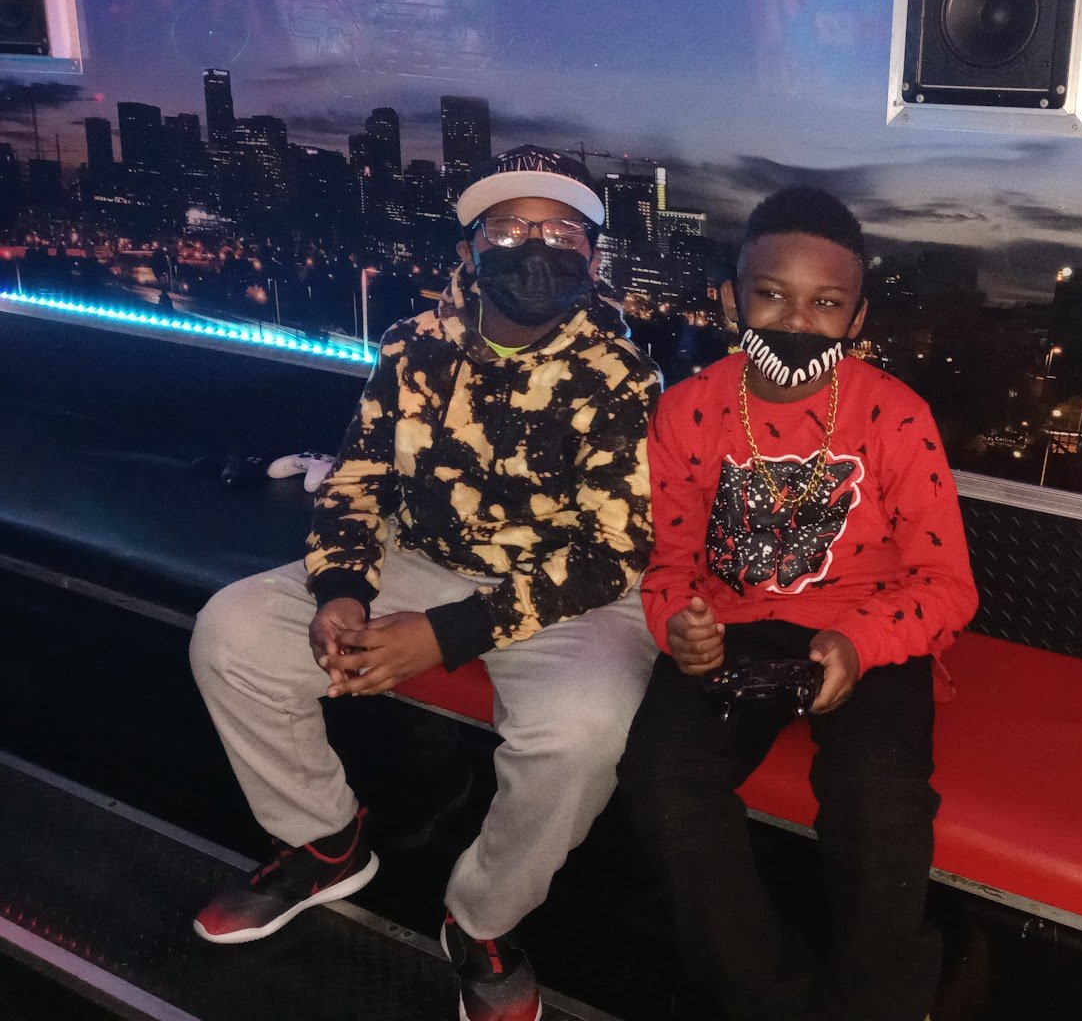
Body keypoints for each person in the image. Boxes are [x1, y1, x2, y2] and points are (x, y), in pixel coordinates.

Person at [189, 145, 661, 1021]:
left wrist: (443, 636)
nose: (534, 249)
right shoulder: (413, 346)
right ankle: (323, 841)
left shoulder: (621, 375)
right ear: (467, 250)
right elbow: (361, 479)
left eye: (560, 232)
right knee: (233, 630)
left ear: (593, 260)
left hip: (566, 587)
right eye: (509, 229)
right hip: (421, 557)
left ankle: (482, 920)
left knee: (584, 729)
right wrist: (342, 590)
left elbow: (611, 551)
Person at [616, 185, 978, 1021]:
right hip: (734, 629)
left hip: (867, 628)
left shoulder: (895, 415)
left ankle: (883, 1005)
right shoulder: (687, 410)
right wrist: (677, 624)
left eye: (826, 303)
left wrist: (858, 645)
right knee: (662, 782)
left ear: (857, 318)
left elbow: (947, 584)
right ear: (730, 300)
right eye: (772, 295)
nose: (796, 321)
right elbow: (669, 563)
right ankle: (770, 997)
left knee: (878, 800)